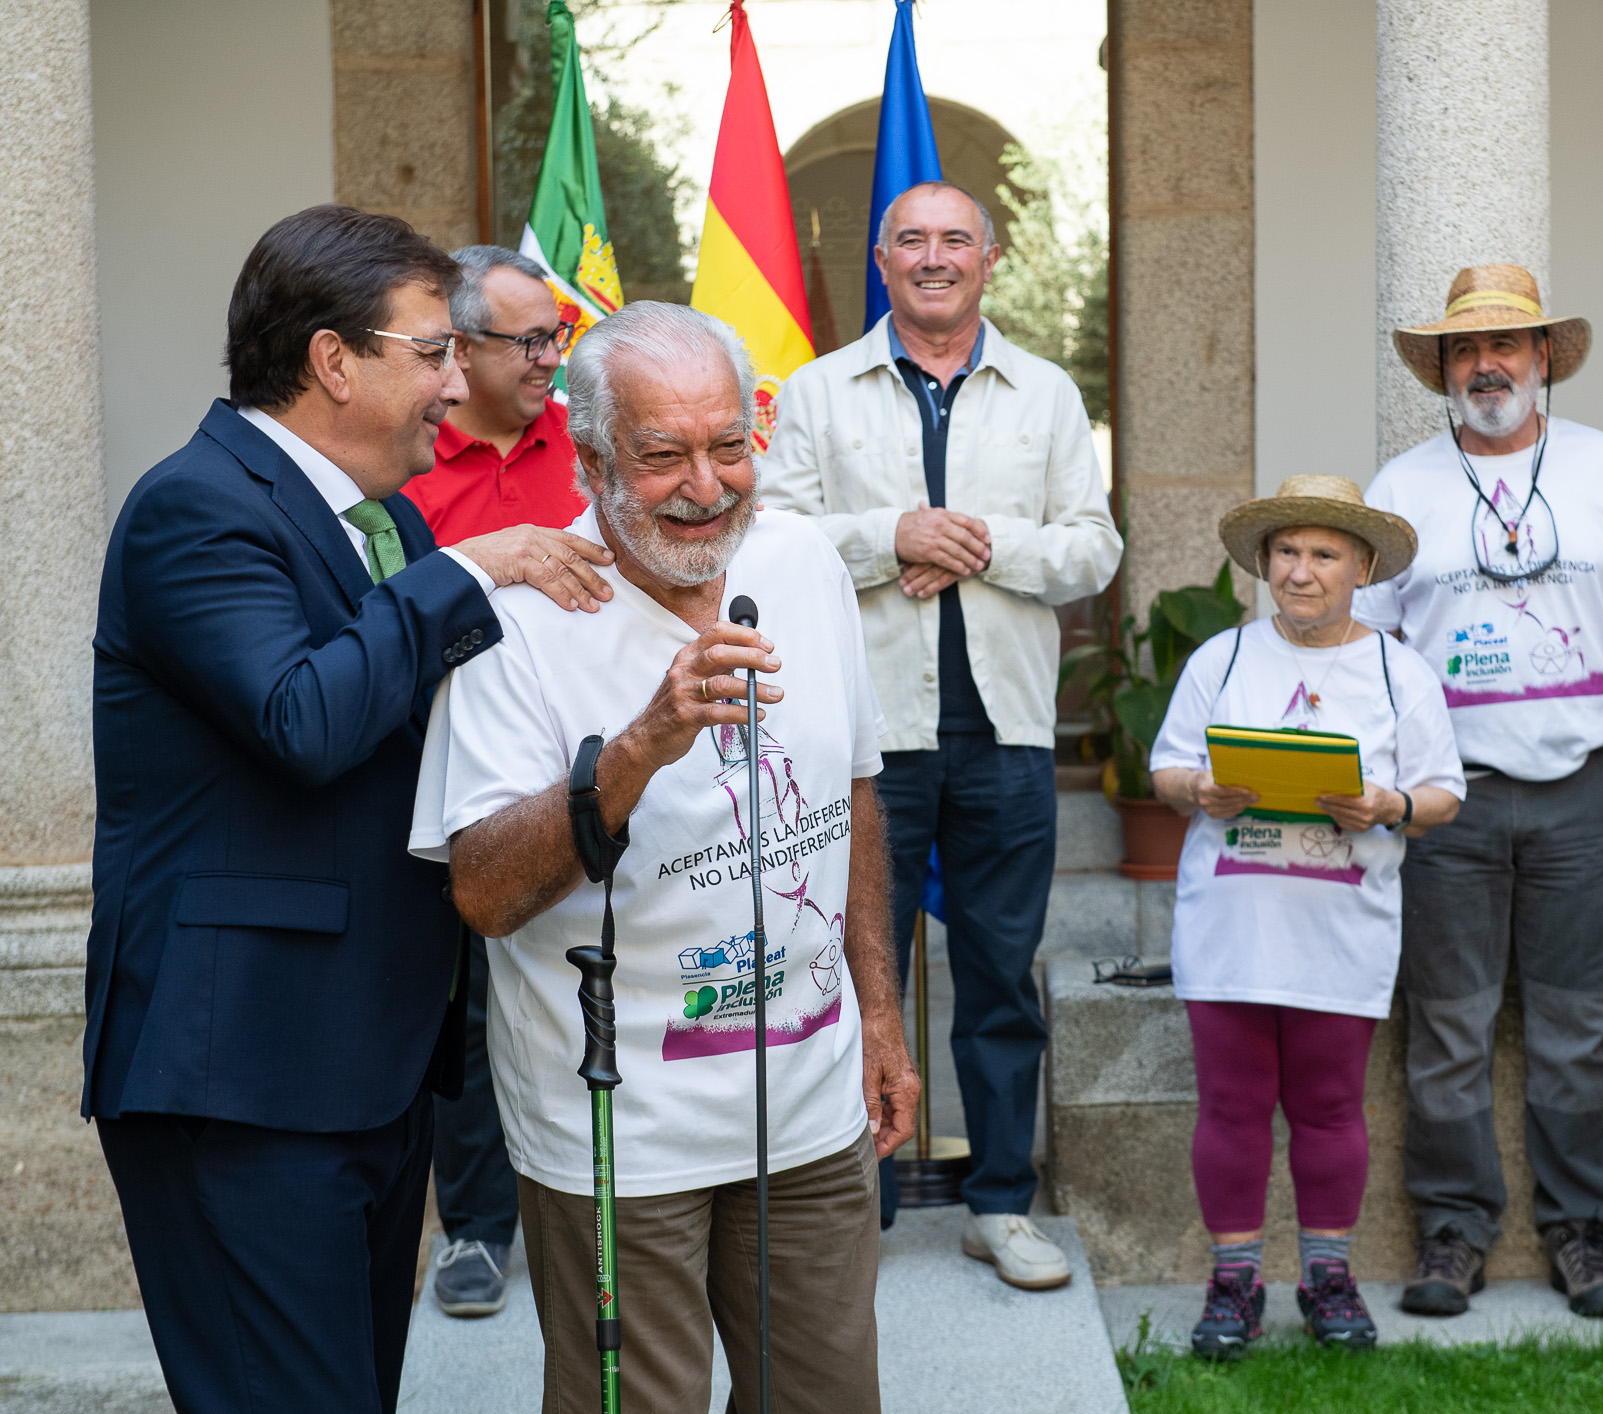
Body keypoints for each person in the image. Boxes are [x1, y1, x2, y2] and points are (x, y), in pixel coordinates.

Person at [84, 204, 616, 1414]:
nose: (456, 381)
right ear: (335, 358)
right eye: (434, 351)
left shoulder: (394, 523)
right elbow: (303, 720)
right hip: (240, 1075)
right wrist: (471, 570)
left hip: (366, 1066)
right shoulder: (196, 508)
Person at [413, 301, 918, 1414]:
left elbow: (854, 794)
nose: (708, 484)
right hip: (616, 1130)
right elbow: (485, 895)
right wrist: (642, 745)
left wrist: (879, 1014)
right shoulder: (516, 618)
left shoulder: (802, 562)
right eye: (663, 456)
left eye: (730, 445)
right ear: (590, 461)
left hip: (811, 1105)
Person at [760, 179, 1122, 1287]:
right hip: (862, 739)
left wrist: (971, 545)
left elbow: (1092, 550)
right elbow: (771, 537)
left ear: (990, 257)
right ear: (882, 261)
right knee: (844, 969)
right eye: (911, 239)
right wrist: (890, 533)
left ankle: (1000, 1201)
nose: (933, 256)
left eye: (954, 239)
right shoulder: (819, 394)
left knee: (1000, 974)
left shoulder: (1047, 394)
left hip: (1006, 739)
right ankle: (848, 1201)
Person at [1354, 265, 1603, 1319]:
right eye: (1464, 351)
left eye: (1506, 346)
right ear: (1443, 370)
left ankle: (1585, 1232)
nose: (1485, 365)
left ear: (1546, 359)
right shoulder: (1402, 487)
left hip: (1584, 786)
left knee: (1580, 1022)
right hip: (1446, 796)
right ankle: (1451, 1232)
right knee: (1448, 1024)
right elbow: (1374, 645)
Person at [1149, 477, 1465, 1358]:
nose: (1300, 571)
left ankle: (1328, 1276)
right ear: (1262, 562)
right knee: (1231, 1107)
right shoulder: (1220, 659)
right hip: (1230, 927)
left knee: (1330, 1108)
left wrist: (1389, 803)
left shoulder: (1401, 672)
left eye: (1323, 554)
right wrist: (1200, 788)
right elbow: (1167, 772)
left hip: (1343, 927)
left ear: (1361, 566)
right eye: (1285, 552)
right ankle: (1233, 1283)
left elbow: (1444, 793)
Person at [406, 244, 590, 1319]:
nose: (549, 358)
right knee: (469, 1008)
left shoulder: (589, 448)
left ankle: (603, 1198)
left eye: (556, 336)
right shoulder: (407, 474)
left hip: (592, 765)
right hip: (456, 778)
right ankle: (475, 1228)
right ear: (458, 349)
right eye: (528, 340)